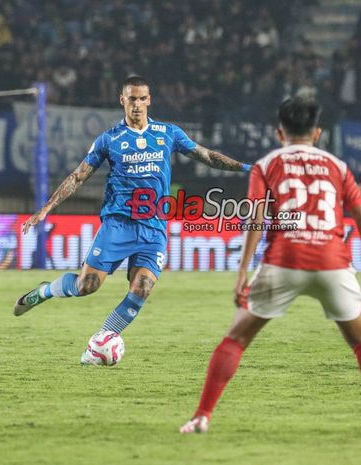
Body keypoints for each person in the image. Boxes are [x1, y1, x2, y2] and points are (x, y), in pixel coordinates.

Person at [179, 97, 361, 435]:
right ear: (317, 132)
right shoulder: (338, 166)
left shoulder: (266, 164)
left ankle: (201, 417)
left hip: (284, 259)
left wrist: (243, 270)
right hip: (332, 260)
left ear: (278, 132)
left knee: (237, 337)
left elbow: (256, 217)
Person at [13, 75, 251, 364]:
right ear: (121, 100)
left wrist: (248, 168)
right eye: (131, 98)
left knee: (142, 288)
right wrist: (46, 209)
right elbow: (78, 176)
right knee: (86, 286)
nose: (137, 104)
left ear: (149, 100)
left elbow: (208, 156)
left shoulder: (168, 133)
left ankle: (98, 345)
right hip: (118, 225)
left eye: (142, 98)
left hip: (154, 228)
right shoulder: (109, 139)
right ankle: (44, 291)